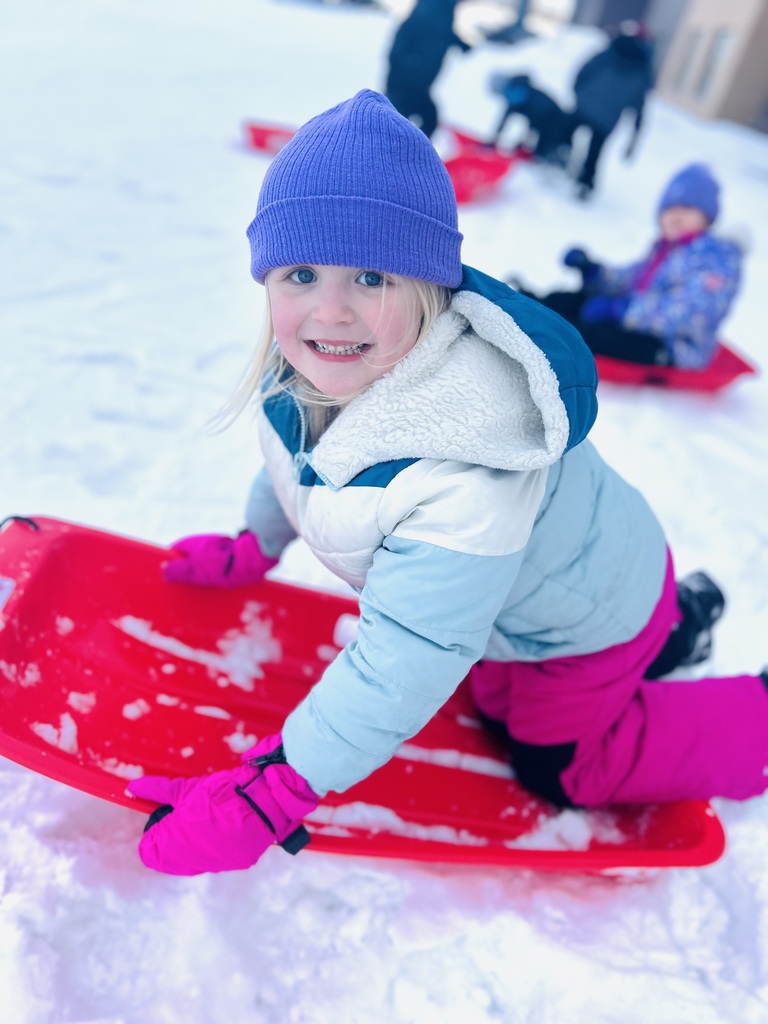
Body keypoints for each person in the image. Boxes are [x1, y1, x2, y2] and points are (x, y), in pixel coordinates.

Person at [126, 91, 768, 877]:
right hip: (539, 591)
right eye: (300, 272)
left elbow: (411, 653)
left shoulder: (468, 459)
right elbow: (295, 461)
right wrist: (257, 543)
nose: (330, 310)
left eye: (371, 276)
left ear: (429, 287)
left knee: (554, 763)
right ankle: (681, 623)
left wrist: (277, 789)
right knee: (485, 698)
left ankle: (744, 704)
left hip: (585, 618)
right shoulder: (310, 368)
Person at [512, 163, 742, 369]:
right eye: (671, 208)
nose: (677, 216)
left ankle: (543, 340)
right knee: (569, 299)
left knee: (590, 334)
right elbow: (629, 280)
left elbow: (690, 312)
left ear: (708, 218)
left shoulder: (717, 261)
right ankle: (527, 310)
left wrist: (623, 310)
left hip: (673, 346)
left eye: (688, 209)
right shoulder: (665, 249)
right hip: (638, 322)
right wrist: (594, 272)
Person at [563, 22, 654, 198]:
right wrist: (634, 136)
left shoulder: (611, 50)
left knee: (566, 131)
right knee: (595, 151)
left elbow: (585, 70)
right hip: (608, 119)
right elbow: (639, 105)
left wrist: (577, 92)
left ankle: (560, 157)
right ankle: (585, 182)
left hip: (584, 106)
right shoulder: (643, 69)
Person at [384, 0, 471, 140]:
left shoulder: (443, 16)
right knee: (399, 120)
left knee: (428, 118)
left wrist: (459, 43)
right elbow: (400, 45)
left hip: (420, 84)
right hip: (406, 84)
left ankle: (414, 151)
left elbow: (442, 33)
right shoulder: (430, 12)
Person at [488, 73, 570, 164]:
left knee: (545, 153)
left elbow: (539, 117)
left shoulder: (516, 93)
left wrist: (494, 139)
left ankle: (557, 165)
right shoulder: (520, 89)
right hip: (549, 122)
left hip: (555, 123)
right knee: (540, 152)